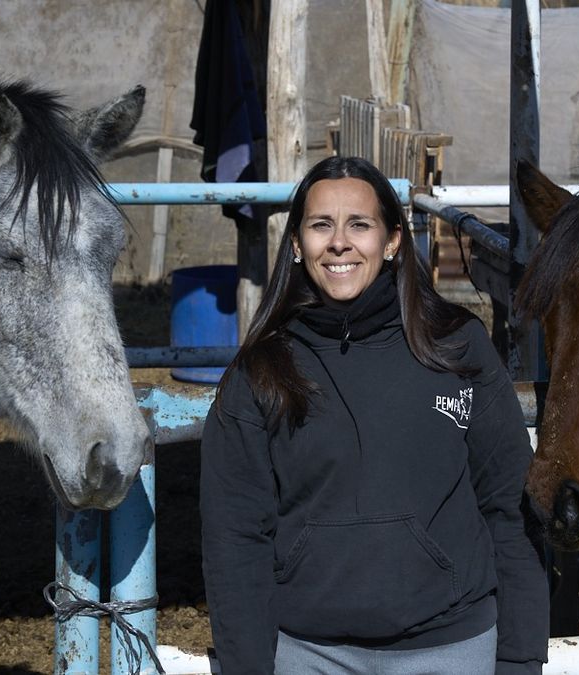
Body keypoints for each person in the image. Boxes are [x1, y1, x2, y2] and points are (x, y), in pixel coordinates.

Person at [200, 155, 549, 674]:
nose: (339, 242)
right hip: (307, 653)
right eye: (321, 225)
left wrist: (520, 656)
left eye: (359, 224)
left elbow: (509, 507)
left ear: (392, 241)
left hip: (450, 648)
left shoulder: (456, 348)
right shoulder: (262, 371)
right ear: (297, 244)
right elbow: (234, 541)